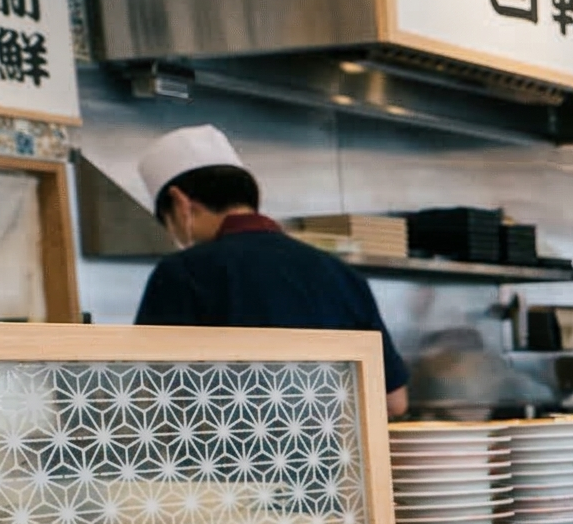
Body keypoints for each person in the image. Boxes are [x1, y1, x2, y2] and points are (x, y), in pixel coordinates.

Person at [131, 126, 410, 418]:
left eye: (167, 221)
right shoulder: (341, 274)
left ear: (180, 203)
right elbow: (393, 401)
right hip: (334, 461)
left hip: (226, 462)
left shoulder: (183, 272)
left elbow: (147, 398)